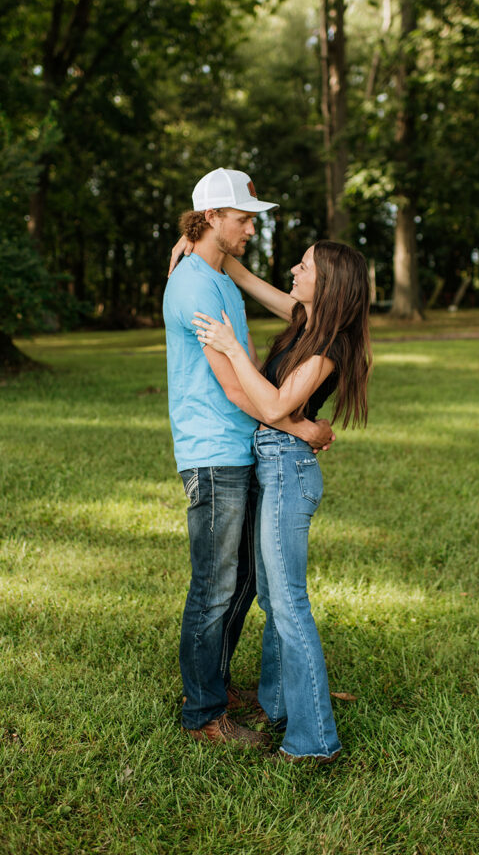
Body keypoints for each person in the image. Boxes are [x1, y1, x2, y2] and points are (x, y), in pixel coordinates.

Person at [163, 168, 335, 748]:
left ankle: (212, 681)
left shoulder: (219, 281)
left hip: (240, 446)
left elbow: (255, 359)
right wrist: (301, 426)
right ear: (212, 217)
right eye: (242, 219)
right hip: (212, 451)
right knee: (214, 585)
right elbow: (237, 389)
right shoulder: (193, 287)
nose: (250, 230)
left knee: (240, 585)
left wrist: (231, 266)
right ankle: (203, 712)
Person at [192, 240, 371, 763]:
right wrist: (199, 238)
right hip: (280, 460)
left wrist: (229, 346)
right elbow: (245, 278)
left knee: (289, 606)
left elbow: (271, 403)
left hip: (288, 471)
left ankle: (314, 742)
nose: (294, 268)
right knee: (276, 602)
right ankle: (278, 706)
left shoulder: (325, 347)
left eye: (305, 265)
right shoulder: (304, 321)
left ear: (330, 284)